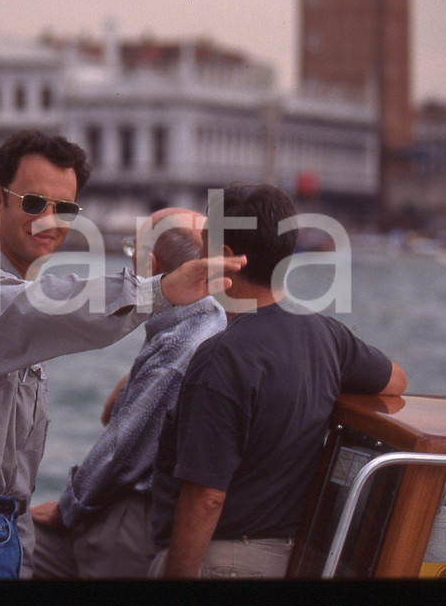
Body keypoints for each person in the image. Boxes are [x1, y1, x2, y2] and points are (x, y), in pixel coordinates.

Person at [0, 129, 246, 579]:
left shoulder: (9, 298)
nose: (49, 221)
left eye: (65, 209)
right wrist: (161, 290)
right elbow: (50, 307)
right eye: (34, 203)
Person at [148, 184, 408, 579]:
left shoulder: (221, 357)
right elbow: (396, 379)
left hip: (226, 562)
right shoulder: (326, 335)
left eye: (204, 249)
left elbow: (206, 498)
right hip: (299, 558)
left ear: (227, 260)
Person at [30, 208, 228, 579]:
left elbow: (121, 449)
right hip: (141, 516)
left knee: (11, 544)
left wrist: (67, 507)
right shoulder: (206, 322)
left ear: (150, 265)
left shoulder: (180, 346)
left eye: (130, 255)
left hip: (129, 526)